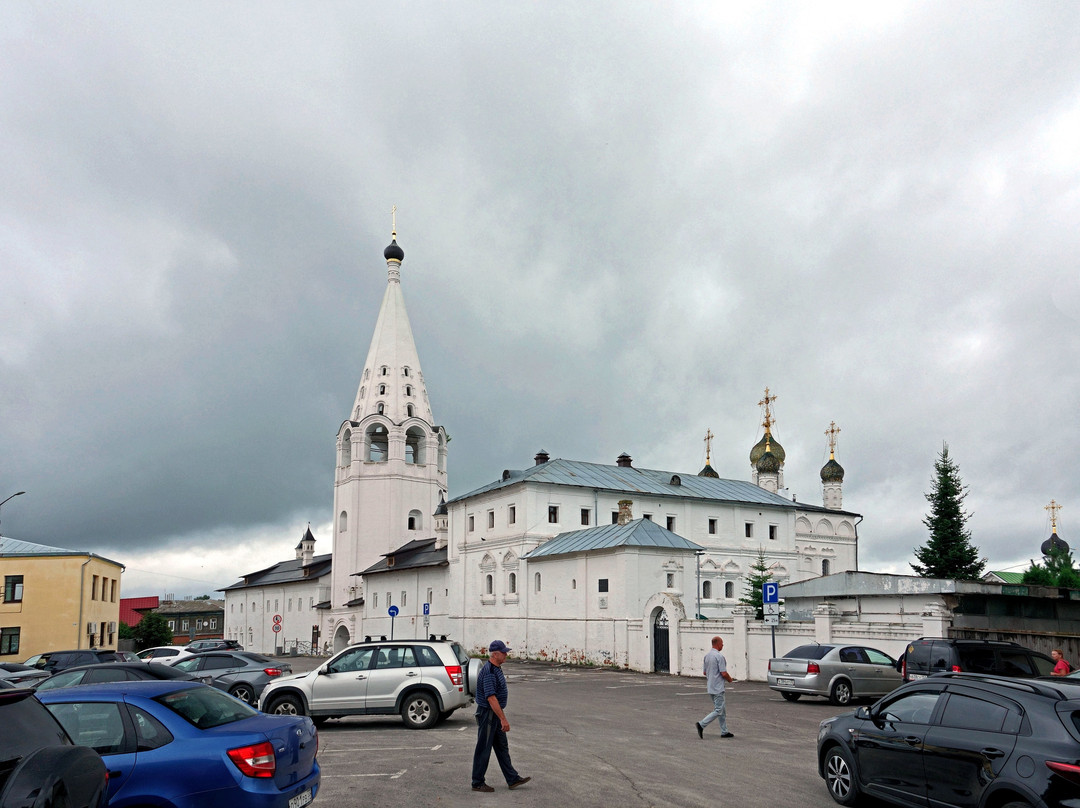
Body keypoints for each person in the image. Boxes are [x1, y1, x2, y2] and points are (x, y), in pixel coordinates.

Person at [471, 640, 530, 792]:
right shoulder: (489, 672)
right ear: (495, 654)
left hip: (494, 714)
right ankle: (477, 782)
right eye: (503, 652)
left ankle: (512, 778)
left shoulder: (497, 668)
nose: (506, 655)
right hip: (488, 714)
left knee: (502, 747)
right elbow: (491, 698)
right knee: (483, 748)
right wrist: (503, 719)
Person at [696, 636, 735, 739]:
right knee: (718, 710)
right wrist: (730, 679)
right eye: (722, 643)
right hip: (718, 687)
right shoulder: (719, 656)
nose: (722, 645)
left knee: (722, 709)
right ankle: (701, 724)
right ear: (717, 644)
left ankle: (724, 731)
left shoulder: (707, 656)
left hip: (710, 687)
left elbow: (705, 672)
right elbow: (723, 673)